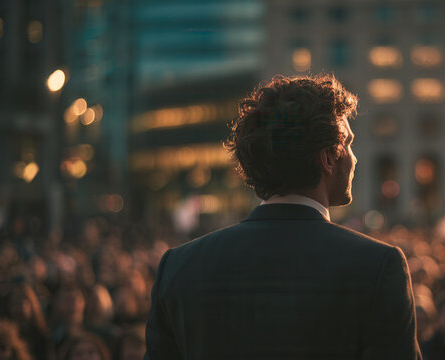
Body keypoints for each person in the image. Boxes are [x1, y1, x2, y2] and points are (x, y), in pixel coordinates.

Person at [144, 74, 421, 359]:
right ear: (327, 157)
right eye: (348, 144)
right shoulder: (377, 267)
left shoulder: (179, 267)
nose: (355, 159)